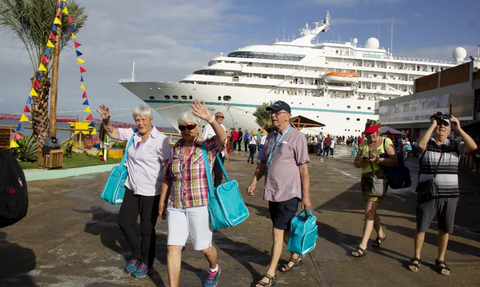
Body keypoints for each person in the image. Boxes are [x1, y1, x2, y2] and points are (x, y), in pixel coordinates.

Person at [96, 104, 171, 278]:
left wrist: (166, 196)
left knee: (146, 229)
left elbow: (168, 168)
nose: (140, 123)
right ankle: (137, 254)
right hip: (131, 187)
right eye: (137, 119)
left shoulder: (161, 140)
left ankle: (147, 262)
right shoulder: (132, 134)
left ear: (151, 120)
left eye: (143, 119)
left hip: (152, 192)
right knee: (124, 222)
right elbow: (111, 132)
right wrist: (106, 119)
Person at [158, 100, 227, 287]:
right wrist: (162, 202)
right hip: (176, 205)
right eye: (182, 127)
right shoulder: (176, 148)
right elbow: (167, 177)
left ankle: (214, 268)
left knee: (203, 247)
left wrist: (211, 118)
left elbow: (222, 138)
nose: (186, 130)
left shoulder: (207, 147)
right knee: (173, 247)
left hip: (199, 204)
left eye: (190, 126)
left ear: (197, 128)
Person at [247, 101, 311, 287]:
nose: (273, 116)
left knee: (277, 231)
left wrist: (306, 196)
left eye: (277, 113)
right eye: (272, 113)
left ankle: (270, 273)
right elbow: (262, 162)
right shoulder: (270, 137)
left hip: (290, 192)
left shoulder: (297, 137)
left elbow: (304, 170)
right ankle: (296, 256)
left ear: (287, 116)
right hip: (273, 191)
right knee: (283, 229)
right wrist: (253, 182)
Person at [408, 112, 476, 275]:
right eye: (439, 124)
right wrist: (433, 124)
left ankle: (440, 259)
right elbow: (420, 146)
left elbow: (473, 147)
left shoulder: (455, 145)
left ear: (449, 128)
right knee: (422, 227)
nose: (442, 127)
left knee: (445, 229)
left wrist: (458, 128)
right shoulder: (427, 143)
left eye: (445, 124)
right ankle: (416, 257)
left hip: (450, 194)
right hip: (428, 193)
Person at [351, 120, 398, 257]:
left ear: (378, 131)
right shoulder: (364, 144)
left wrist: (378, 159)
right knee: (371, 210)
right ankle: (381, 234)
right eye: (368, 134)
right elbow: (356, 163)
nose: (370, 137)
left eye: (372, 134)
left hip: (380, 179)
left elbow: (395, 161)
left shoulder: (386, 142)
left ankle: (363, 245)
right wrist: (362, 161)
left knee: (369, 210)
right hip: (366, 179)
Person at [202, 112, 226, 187]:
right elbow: (203, 139)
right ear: (215, 117)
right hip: (210, 154)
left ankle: (217, 189)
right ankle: (207, 189)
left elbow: (224, 140)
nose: (221, 118)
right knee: (208, 173)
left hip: (220, 153)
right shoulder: (208, 126)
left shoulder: (223, 127)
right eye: (219, 116)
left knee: (219, 173)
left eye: (222, 117)